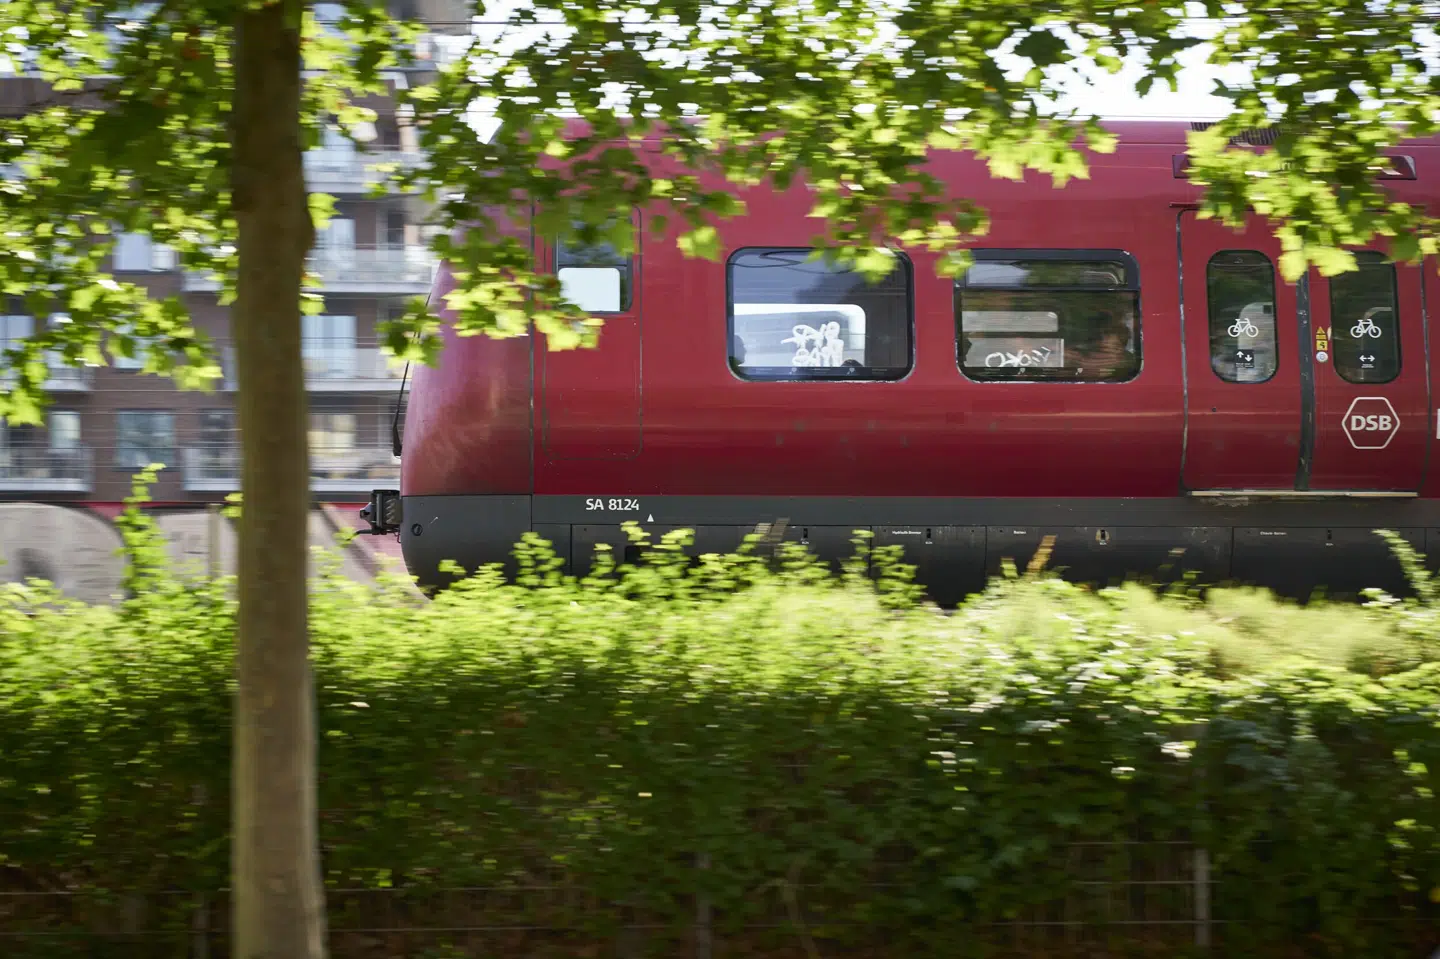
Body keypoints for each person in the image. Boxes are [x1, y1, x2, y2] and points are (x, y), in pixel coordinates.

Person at [1069, 311, 1135, 380]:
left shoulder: (1126, 365)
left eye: (1106, 350)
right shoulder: (1085, 352)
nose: (1103, 340)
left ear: (1119, 349)